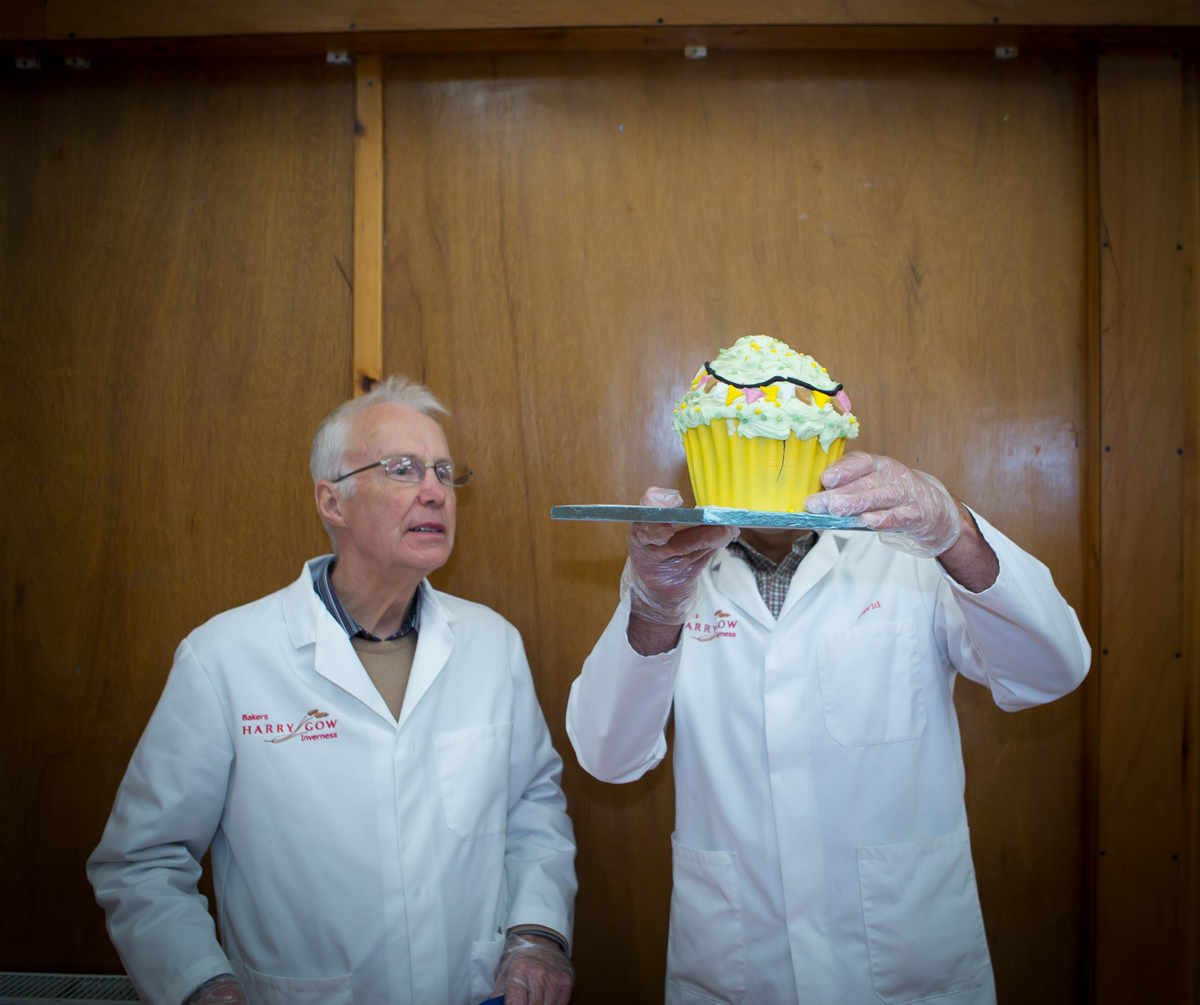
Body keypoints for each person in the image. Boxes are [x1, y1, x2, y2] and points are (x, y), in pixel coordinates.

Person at [89, 376, 577, 1005]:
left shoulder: (492, 645)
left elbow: (532, 807)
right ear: (332, 502)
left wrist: (537, 934)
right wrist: (201, 987)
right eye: (403, 470)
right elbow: (143, 861)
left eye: (444, 472)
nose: (435, 492)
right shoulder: (225, 659)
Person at [565, 451, 1090, 1005]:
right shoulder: (671, 562)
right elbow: (610, 755)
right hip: (742, 958)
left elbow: (1051, 671)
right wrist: (654, 608)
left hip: (905, 956)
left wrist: (954, 531)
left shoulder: (906, 552)